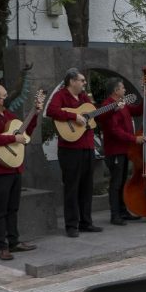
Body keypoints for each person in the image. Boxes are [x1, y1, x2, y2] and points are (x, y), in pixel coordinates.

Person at [0, 83, 42, 260]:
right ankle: (1, 246)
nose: (6, 98)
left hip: (14, 166)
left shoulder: (8, 115)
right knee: (1, 210)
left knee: (13, 208)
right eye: (4, 95)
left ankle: (14, 242)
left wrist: (34, 114)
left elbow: (26, 131)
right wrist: (14, 137)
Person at [47, 68, 103, 237]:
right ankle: (71, 225)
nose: (84, 83)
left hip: (87, 148)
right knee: (71, 187)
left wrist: (112, 107)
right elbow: (51, 111)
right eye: (82, 80)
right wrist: (73, 117)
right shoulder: (61, 95)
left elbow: (93, 115)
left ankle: (86, 222)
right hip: (70, 149)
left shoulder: (84, 98)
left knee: (87, 187)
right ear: (72, 81)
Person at [95, 77, 146, 226]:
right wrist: (134, 139)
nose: (125, 90)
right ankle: (115, 215)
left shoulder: (122, 104)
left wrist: (145, 99)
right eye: (123, 88)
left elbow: (137, 110)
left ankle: (123, 212)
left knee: (122, 182)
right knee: (116, 183)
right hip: (115, 150)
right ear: (116, 91)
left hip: (124, 149)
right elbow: (114, 130)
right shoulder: (108, 106)